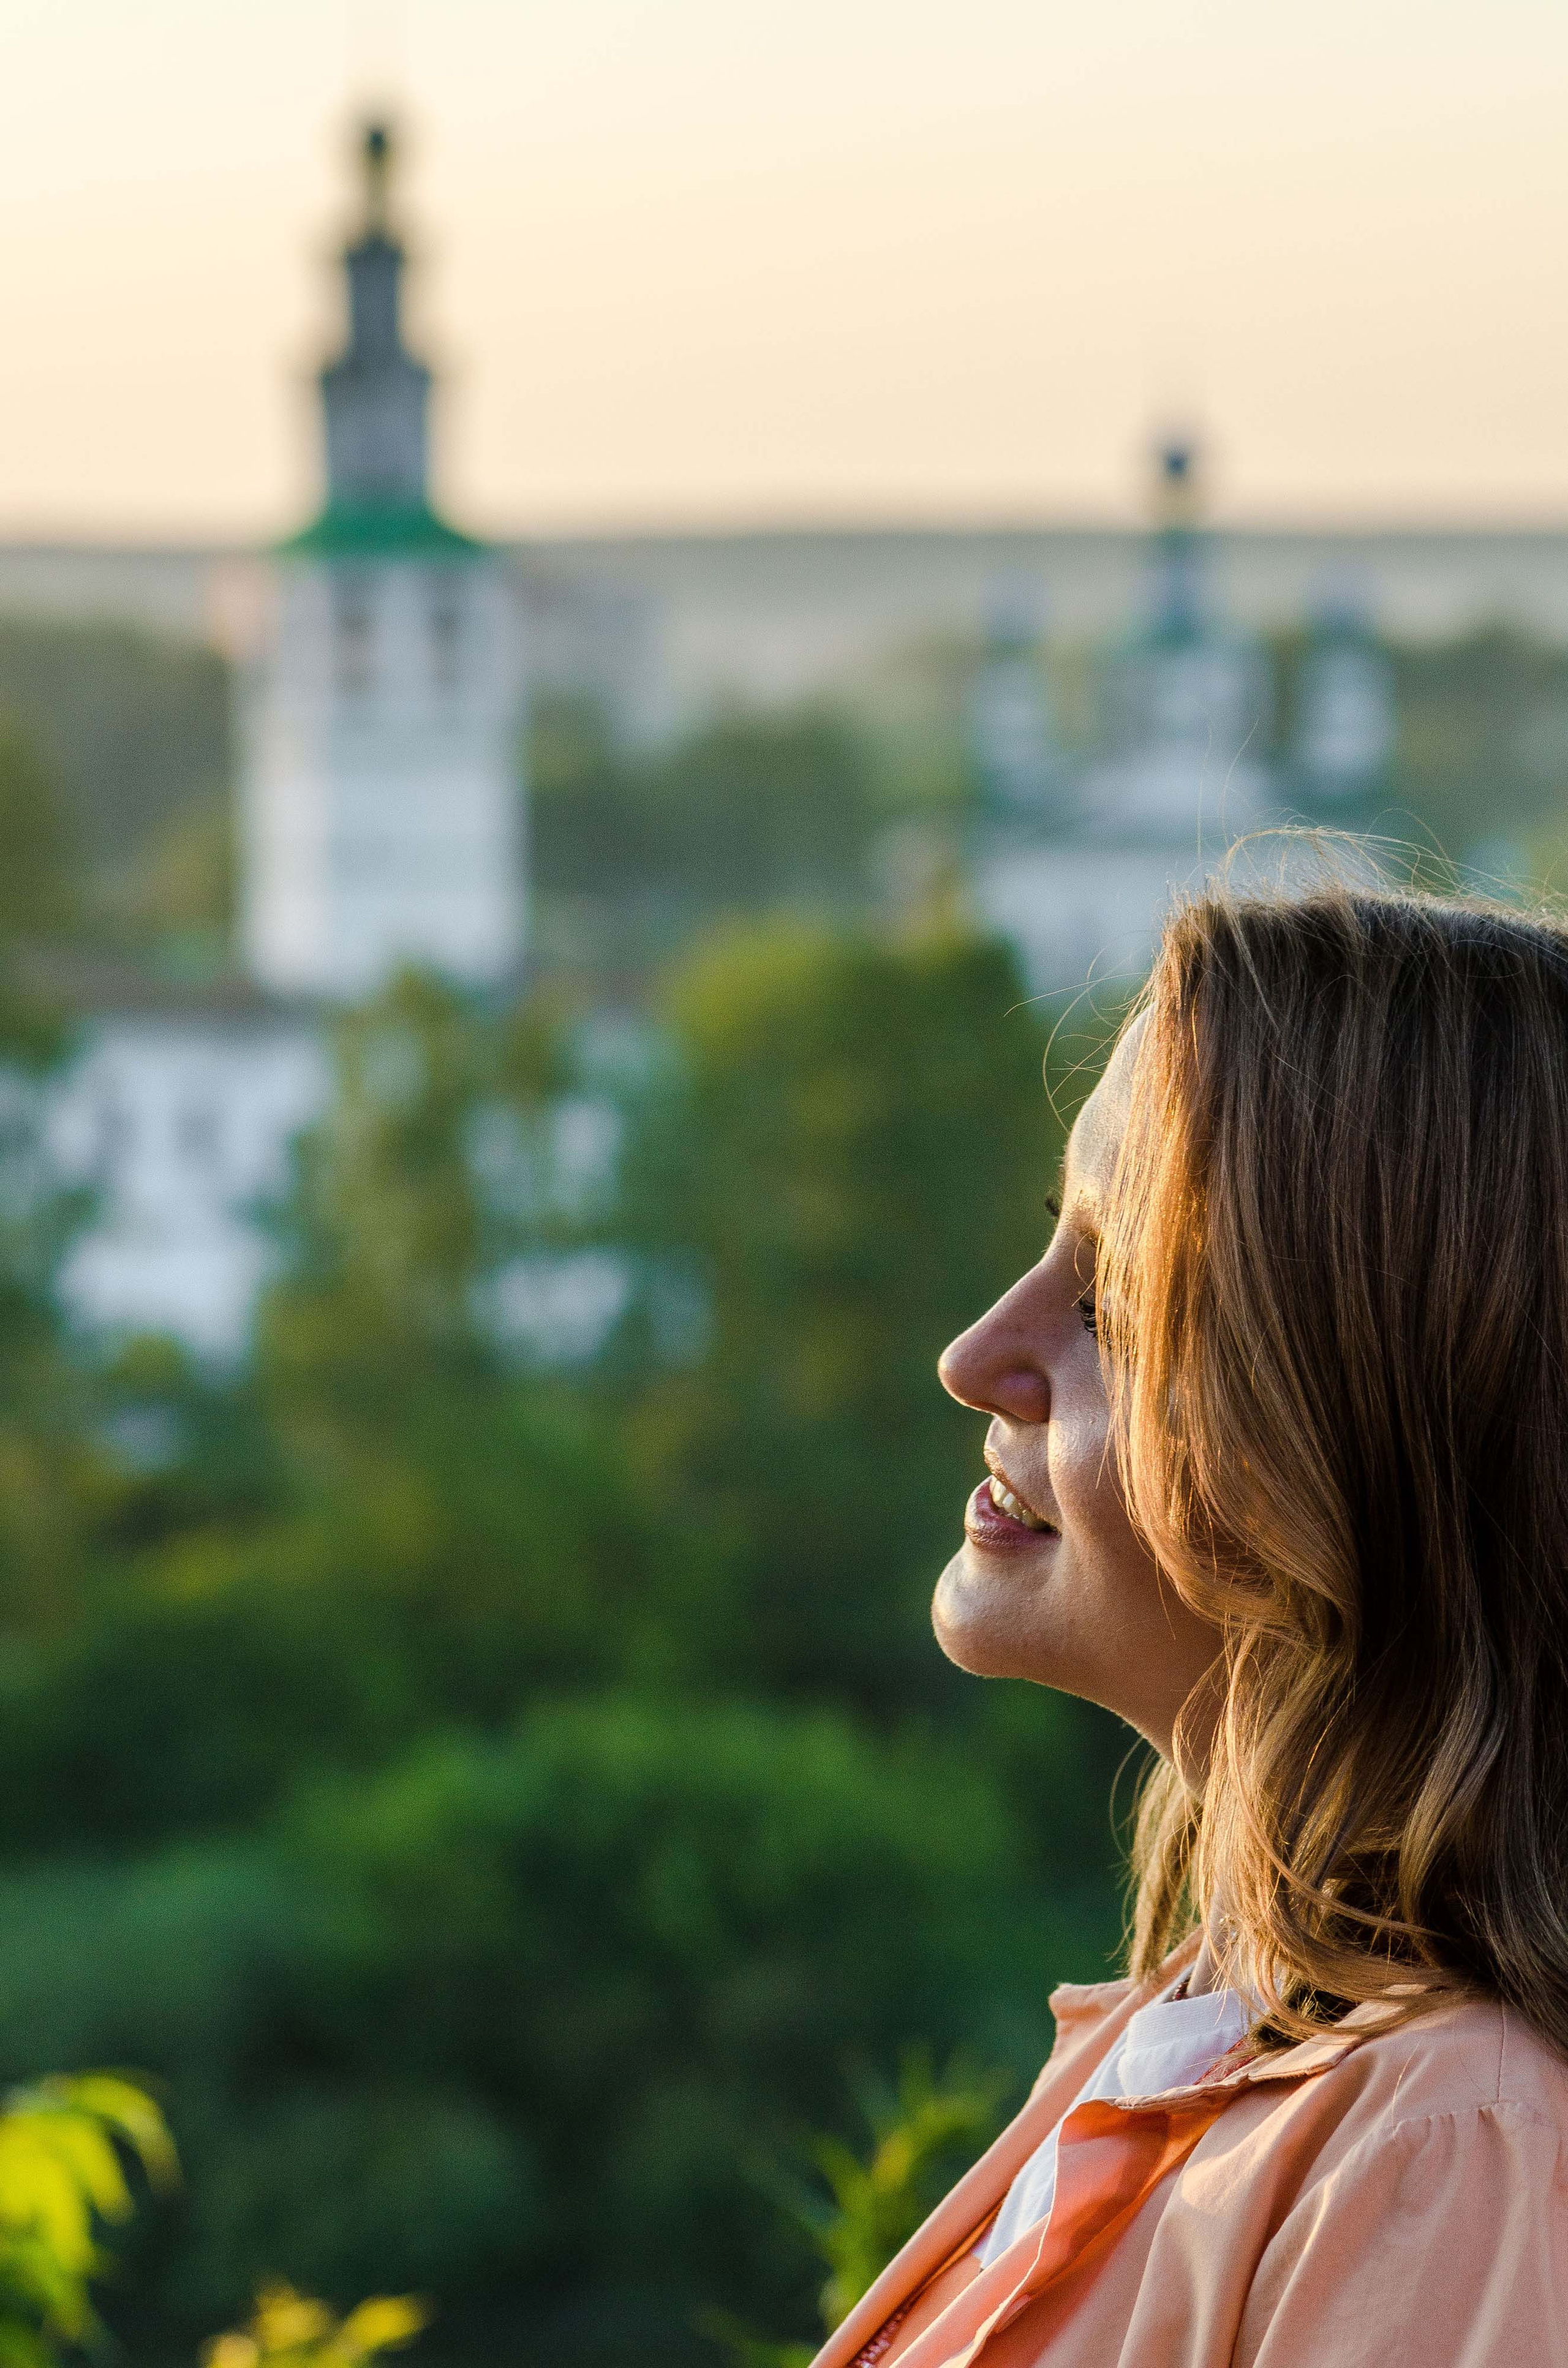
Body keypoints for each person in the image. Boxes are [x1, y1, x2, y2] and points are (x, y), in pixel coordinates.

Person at [810, 886, 1568, 2368]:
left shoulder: (1449, 2149)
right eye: (1054, 1242)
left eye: (1120, 1300)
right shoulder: (1216, 2046)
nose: (976, 1357)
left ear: (1365, 1433)